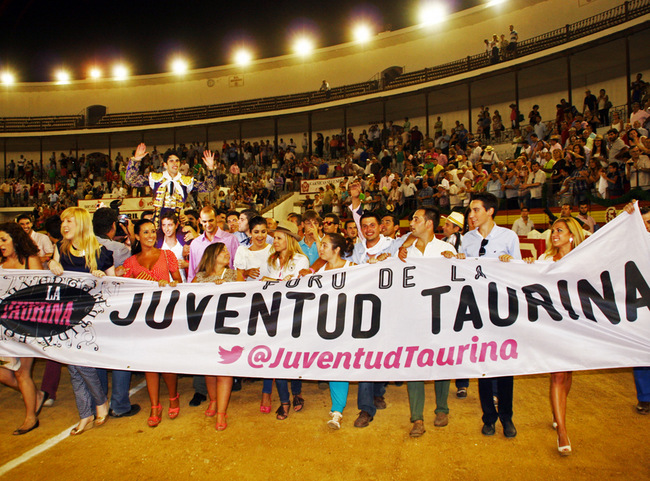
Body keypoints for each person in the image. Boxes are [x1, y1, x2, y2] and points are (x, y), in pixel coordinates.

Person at [456, 193, 521, 438]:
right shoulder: (467, 239)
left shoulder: (509, 236)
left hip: (501, 307)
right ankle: (489, 417)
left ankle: (506, 416)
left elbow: (519, 272)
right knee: (482, 364)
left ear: (490, 211)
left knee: (504, 364)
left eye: (475, 210)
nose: (471, 215)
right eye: (470, 211)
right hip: (477, 308)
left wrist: (510, 262)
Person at [49, 207, 113, 436]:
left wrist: (102, 278)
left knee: (80, 364)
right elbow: (53, 278)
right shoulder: (60, 249)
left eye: (70, 221)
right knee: (73, 366)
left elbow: (115, 286)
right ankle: (87, 412)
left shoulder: (101, 252)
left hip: (93, 317)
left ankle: (97, 403)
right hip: (66, 316)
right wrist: (51, 265)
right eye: (63, 221)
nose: (64, 225)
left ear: (83, 224)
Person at [523, 216, 584, 455]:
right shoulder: (545, 258)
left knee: (567, 374)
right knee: (558, 375)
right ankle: (562, 431)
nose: (554, 234)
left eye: (559, 230)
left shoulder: (585, 258)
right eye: (552, 230)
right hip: (552, 324)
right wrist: (528, 266)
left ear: (572, 234)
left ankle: (558, 411)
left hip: (578, 325)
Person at [122, 219, 182, 428]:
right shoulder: (130, 263)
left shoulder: (167, 255)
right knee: (149, 363)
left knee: (166, 362)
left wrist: (171, 285)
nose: (150, 235)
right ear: (137, 236)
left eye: (152, 232)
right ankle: (155, 406)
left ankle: (173, 396)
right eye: (145, 232)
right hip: (142, 317)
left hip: (166, 314)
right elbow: (122, 288)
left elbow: (179, 283)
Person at [402, 208, 457, 437]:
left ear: (429, 224)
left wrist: (455, 263)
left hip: (440, 314)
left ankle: (442, 408)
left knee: (441, 361)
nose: (412, 222)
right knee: (414, 363)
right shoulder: (405, 253)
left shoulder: (447, 250)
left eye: (416, 219)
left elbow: (458, 280)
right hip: (413, 314)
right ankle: (417, 417)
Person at [0, 222, 47, 435]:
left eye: (3, 240)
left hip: (27, 325)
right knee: (5, 373)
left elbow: (39, 293)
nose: (0, 245)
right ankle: (35, 395)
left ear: (15, 239)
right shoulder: (0, 263)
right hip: (4, 327)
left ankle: (30, 417)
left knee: (21, 372)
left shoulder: (30, 261)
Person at [261, 220, 309, 420]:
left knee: (293, 356)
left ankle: (296, 393)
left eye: (279, 238)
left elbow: (295, 286)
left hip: (294, 314)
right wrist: (279, 282)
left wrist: (275, 282)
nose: (275, 241)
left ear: (289, 240)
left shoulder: (301, 260)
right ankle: (284, 400)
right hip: (275, 313)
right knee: (277, 358)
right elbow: (265, 283)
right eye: (274, 238)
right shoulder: (271, 260)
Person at [192, 242, 235, 430]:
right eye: (222, 251)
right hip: (205, 329)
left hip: (228, 328)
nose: (227, 253)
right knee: (208, 369)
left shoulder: (234, 275)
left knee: (224, 370)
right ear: (212, 255)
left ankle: (221, 412)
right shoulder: (199, 277)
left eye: (227, 251)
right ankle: (213, 400)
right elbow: (188, 297)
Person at [126, 143, 217, 228]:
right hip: (158, 224)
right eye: (171, 161)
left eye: (177, 161)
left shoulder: (186, 181)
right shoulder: (156, 178)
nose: (175, 163)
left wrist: (211, 169)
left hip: (178, 223)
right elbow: (131, 180)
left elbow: (209, 187)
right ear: (165, 164)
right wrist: (136, 160)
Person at [317, 233, 356, 429]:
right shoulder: (319, 273)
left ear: (337, 249)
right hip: (326, 327)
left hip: (349, 325)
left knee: (340, 364)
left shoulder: (354, 269)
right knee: (334, 364)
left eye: (324, 245)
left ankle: (337, 410)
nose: (320, 248)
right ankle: (337, 408)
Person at [234, 215, 271, 281]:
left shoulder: (273, 250)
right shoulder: (242, 252)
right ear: (250, 233)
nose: (260, 236)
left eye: (263, 232)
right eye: (256, 232)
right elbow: (238, 280)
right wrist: (246, 273)